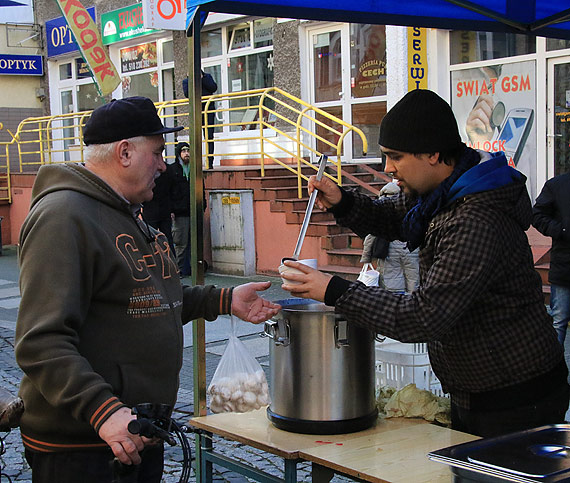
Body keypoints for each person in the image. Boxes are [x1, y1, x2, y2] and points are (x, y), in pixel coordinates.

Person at [14, 96, 280, 483]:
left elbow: (144, 297)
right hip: (85, 445)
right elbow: (40, 341)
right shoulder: (64, 216)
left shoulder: (124, 211)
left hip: (134, 434)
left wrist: (222, 298)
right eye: (156, 153)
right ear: (124, 152)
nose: (163, 164)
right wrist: (103, 410)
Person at [281, 89, 569, 438]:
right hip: (480, 391)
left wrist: (334, 290)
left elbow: (425, 315)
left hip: (516, 398)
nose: (388, 169)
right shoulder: (445, 192)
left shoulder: (475, 217)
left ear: (433, 153)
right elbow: (395, 217)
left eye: (396, 157)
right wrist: (341, 201)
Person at [532, 172, 570, 347]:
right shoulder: (557, 185)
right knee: (559, 320)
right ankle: (556, 370)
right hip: (564, 267)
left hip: (562, 266)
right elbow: (537, 215)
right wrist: (561, 230)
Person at [360, 181, 419, 293]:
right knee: (413, 277)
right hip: (411, 247)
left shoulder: (382, 204)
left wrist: (366, 257)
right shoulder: (408, 202)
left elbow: (371, 234)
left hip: (389, 249)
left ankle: (398, 302)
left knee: (392, 279)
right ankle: (413, 301)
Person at [183, 70, 218, 169]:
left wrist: (202, 78)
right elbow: (187, 94)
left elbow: (213, 87)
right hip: (196, 110)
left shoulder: (207, 77)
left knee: (209, 136)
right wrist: (191, 80)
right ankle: (196, 163)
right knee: (196, 137)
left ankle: (209, 162)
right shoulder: (186, 81)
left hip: (208, 110)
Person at [168, 141, 192, 276]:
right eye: (183, 151)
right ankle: (178, 270)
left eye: (188, 151)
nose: (186, 153)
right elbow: (169, 191)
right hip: (179, 213)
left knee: (194, 244)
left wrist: (203, 205)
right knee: (181, 243)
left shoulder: (194, 169)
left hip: (194, 211)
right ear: (178, 154)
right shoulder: (173, 170)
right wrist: (172, 209)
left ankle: (190, 270)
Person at [142, 169, 175, 254]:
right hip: (164, 210)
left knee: (150, 241)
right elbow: (172, 191)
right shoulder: (167, 171)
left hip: (151, 210)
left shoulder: (146, 171)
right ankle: (171, 261)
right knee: (167, 240)